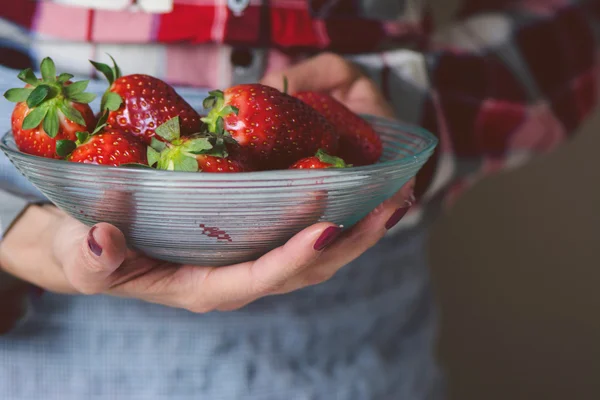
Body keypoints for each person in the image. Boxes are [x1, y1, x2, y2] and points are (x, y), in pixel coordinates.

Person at [0, 0, 598, 398]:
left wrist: (391, 137)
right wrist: (19, 230)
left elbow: (576, 23)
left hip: (351, 344)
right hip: (52, 325)